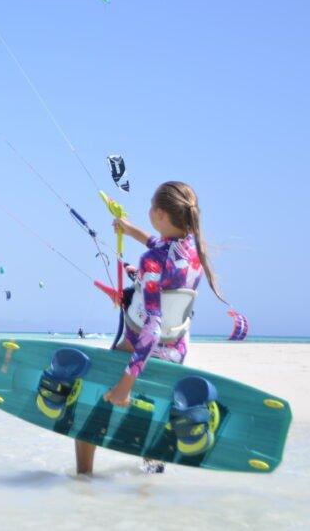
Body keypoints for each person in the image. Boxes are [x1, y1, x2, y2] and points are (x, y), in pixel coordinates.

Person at [76, 181, 227, 476]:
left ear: (159, 214)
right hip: (177, 351)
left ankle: (83, 484)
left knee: (88, 408)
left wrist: (124, 386)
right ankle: (150, 487)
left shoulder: (152, 262)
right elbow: (160, 247)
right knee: (151, 414)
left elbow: (152, 328)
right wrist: (129, 230)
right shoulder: (195, 249)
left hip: (139, 348)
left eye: (149, 207)